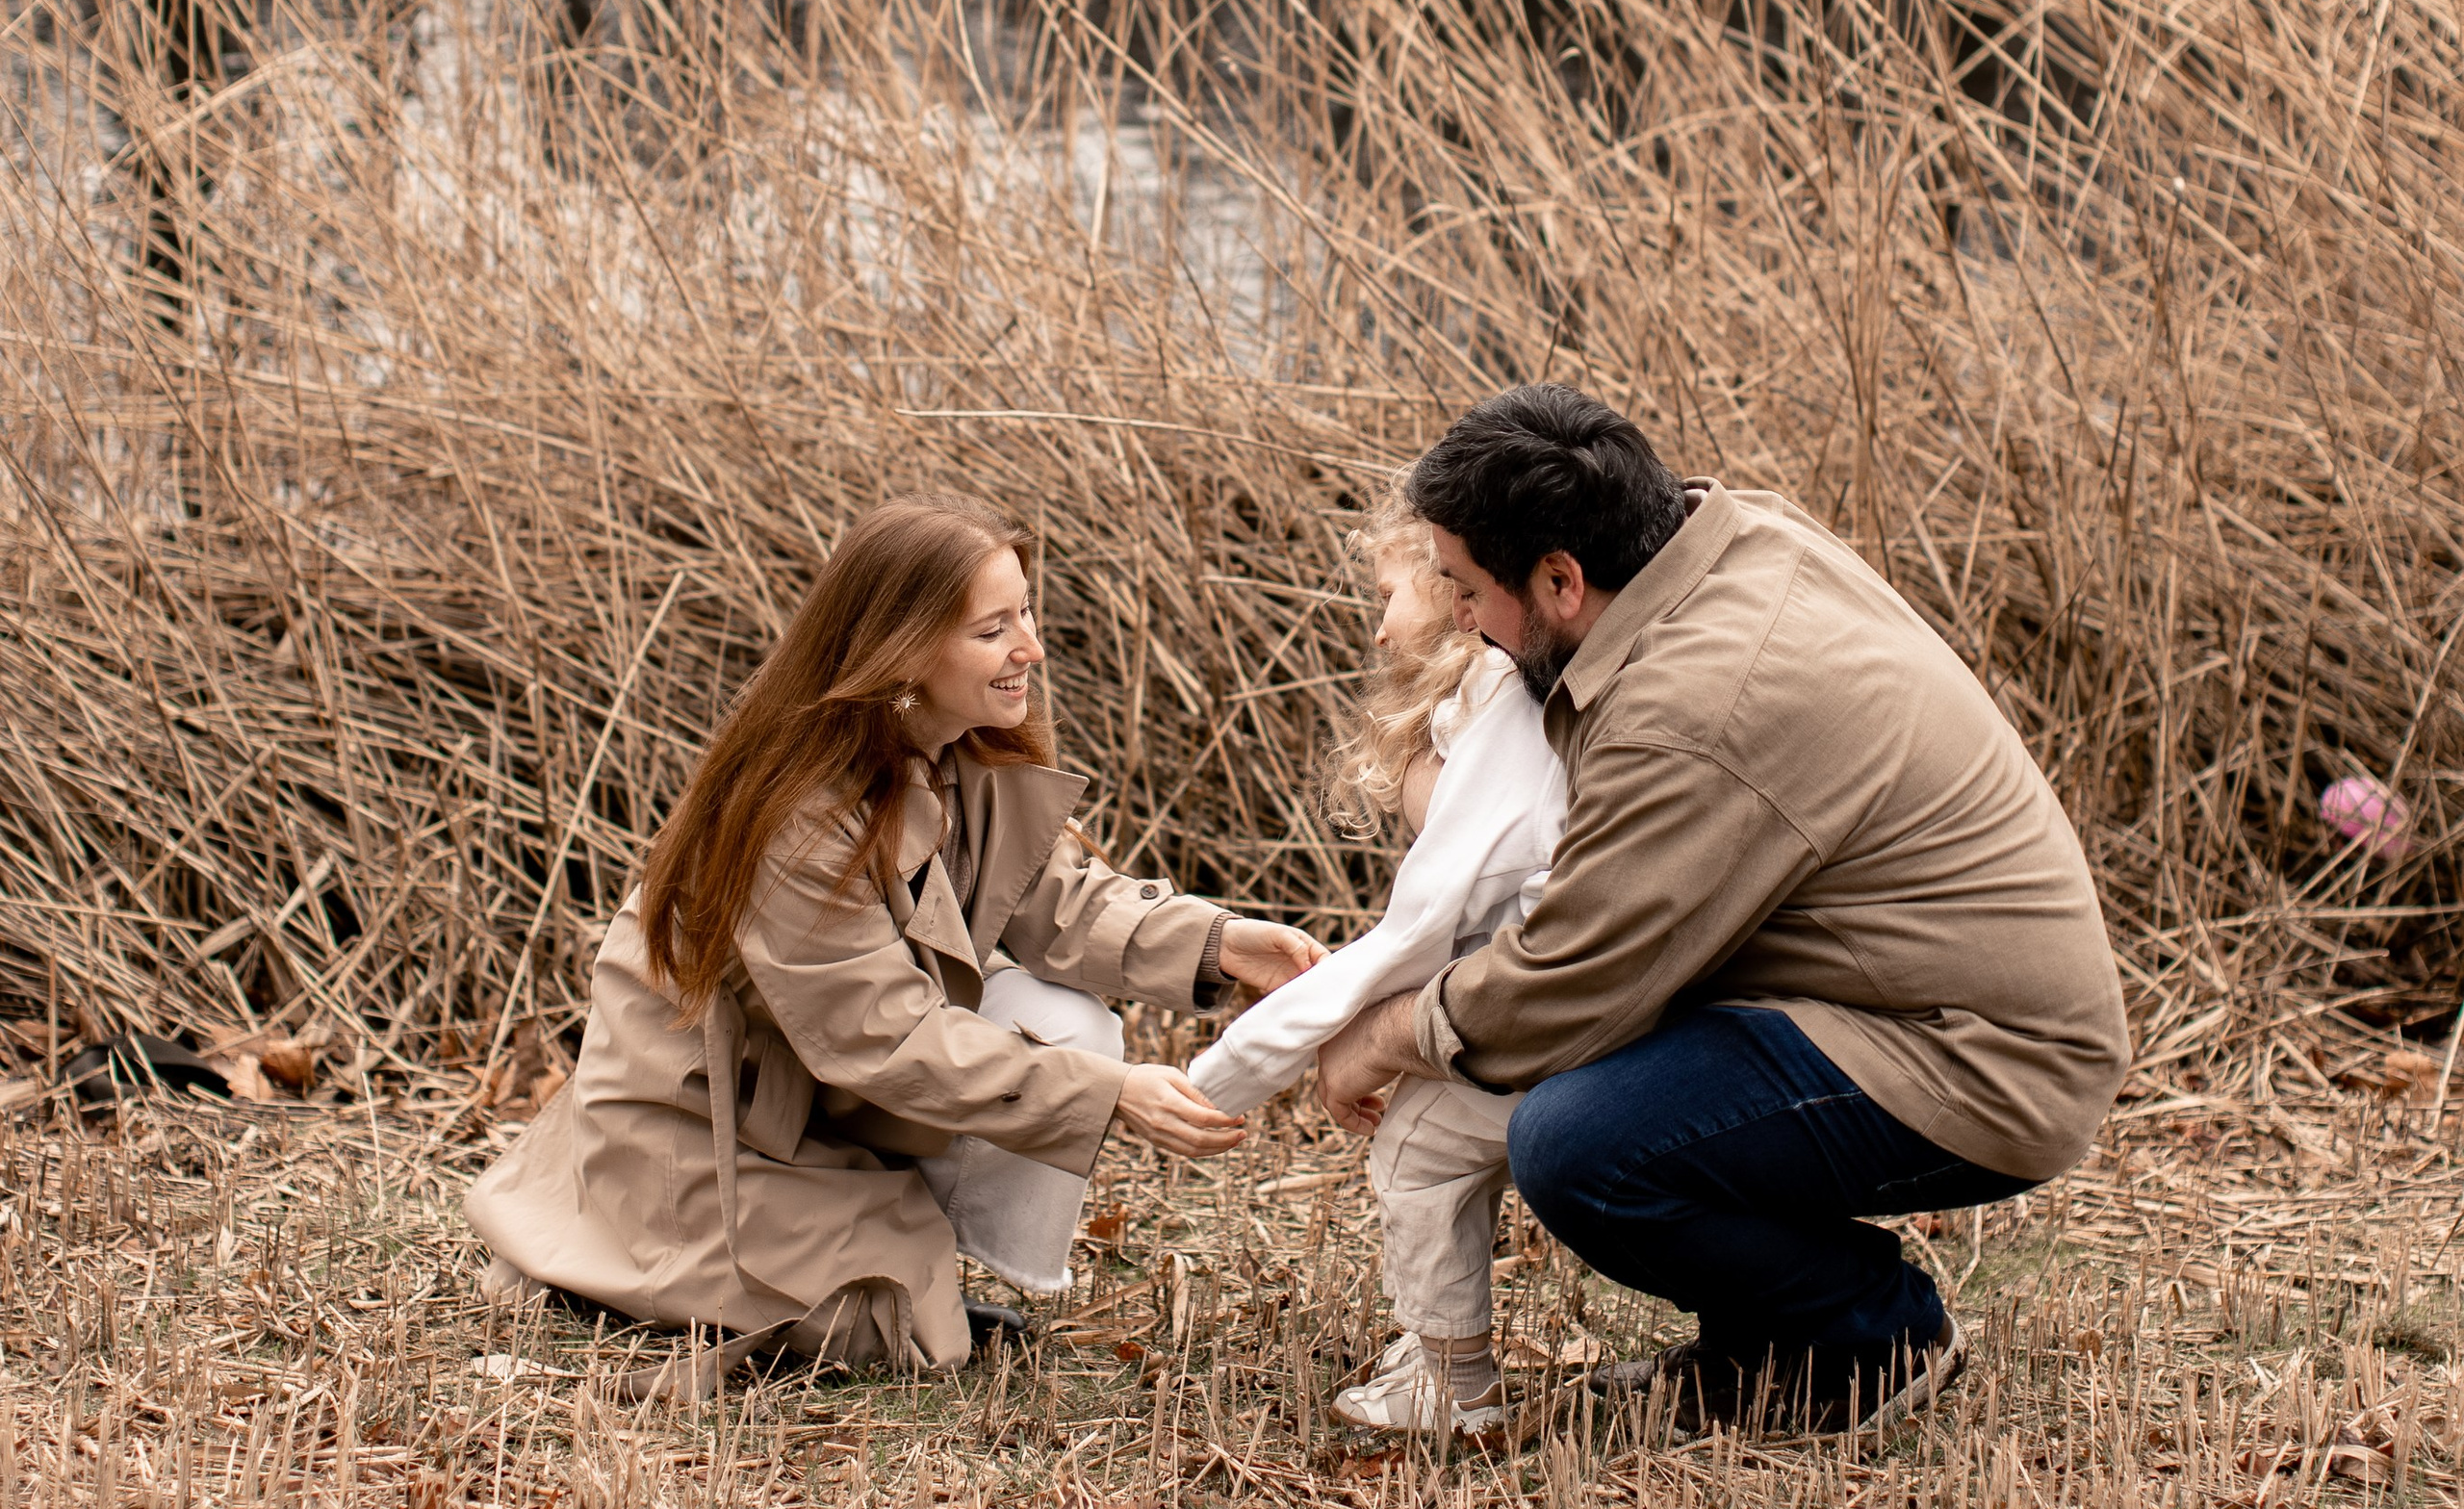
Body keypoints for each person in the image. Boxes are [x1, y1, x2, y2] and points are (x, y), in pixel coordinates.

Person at [1316, 386, 2130, 1435]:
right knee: (1625, 1099)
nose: (1460, 616)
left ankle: (1866, 1336)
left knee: (1580, 1143)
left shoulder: (1697, 707)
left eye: (1468, 589)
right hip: (1895, 995)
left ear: (1561, 578)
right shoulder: (1728, 541)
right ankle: (1763, 1348)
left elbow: (1566, 984)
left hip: (1980, 1061)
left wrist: (1383, 1033)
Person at [465, 494, 1323, 1378]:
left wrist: (1222, 945)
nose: (1030, 645)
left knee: (1071, 1026)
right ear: (904, 651)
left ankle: (893, 1235)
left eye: (1025, 611)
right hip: (713, 1123)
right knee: (895, 1329)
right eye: (994, 629)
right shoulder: (795, 816)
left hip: (824, 1089)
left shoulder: (955, 744)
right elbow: (885, 1036)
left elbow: (1060, 900)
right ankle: (610, 1261)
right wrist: (1107, 1096)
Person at [1189, 501, 1565, 1437]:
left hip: (1557, 1007)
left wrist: (1246, 1064)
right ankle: (1434, 1345)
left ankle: (1450, 1379)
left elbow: (1422, 930)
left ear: (1451, 594)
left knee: (1419, 1143)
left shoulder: (1504, 711)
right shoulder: (1480, 709)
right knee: (1429, 1132)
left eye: (1388, 594)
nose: (1378, 623)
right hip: (1533, 995)